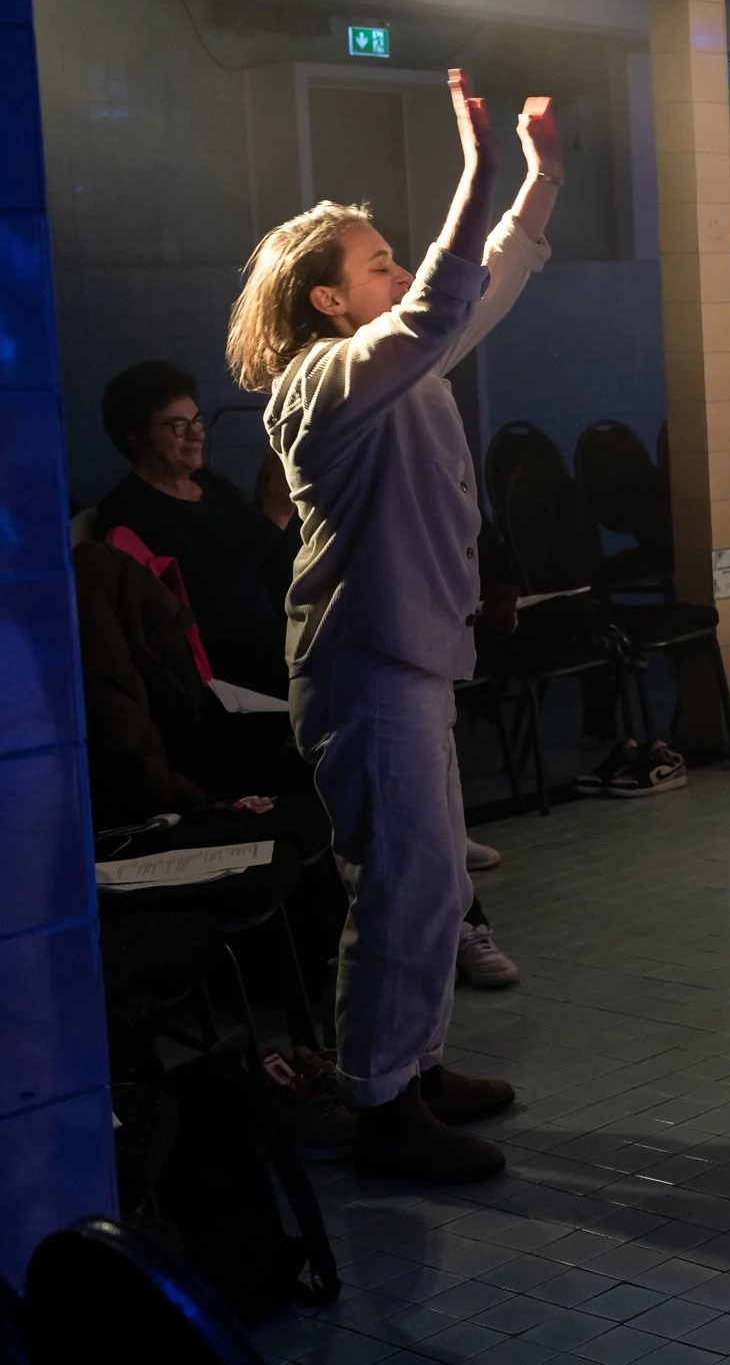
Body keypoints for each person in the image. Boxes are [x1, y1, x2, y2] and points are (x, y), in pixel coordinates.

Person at [228, 72, 559, 1184]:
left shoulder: (393, 372)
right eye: (377, 260)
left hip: (405, 664)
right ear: (327, 302)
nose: (399, 265)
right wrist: (472, 167)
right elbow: (439, 303)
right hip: (363, 673)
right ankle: (381, 1106)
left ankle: (408, 1069)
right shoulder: (324, 383)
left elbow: (477, 292)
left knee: (427, 885)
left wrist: (540, 179)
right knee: (400, 886)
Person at [95, 361, 297, 696]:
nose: (195, 435)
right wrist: (274, 515)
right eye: (177, 425)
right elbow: (206, 597)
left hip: (279, 637)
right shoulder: (128, 511)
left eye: (196, 421)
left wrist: (286, 511)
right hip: (231, 669)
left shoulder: (208, 484)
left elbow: (268, 556)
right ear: (136, 437)